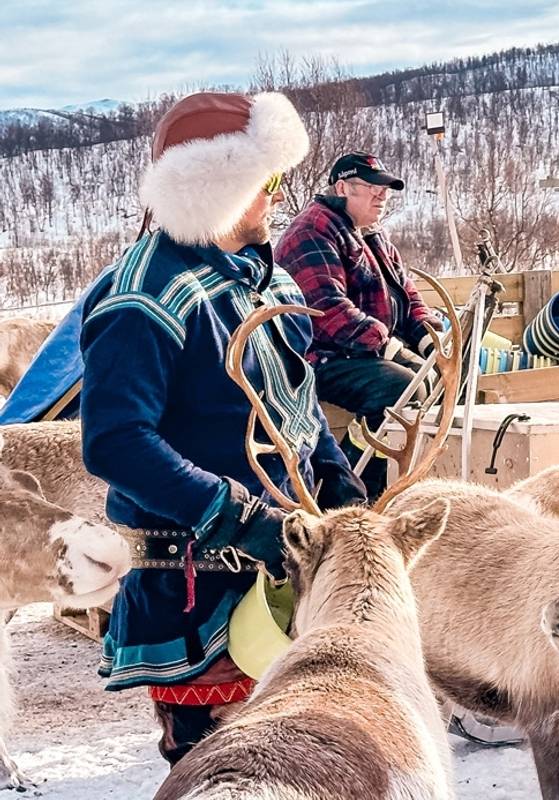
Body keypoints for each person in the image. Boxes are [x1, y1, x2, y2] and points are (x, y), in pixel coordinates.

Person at [80, 92, 365, 765]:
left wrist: (339, 481)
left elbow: (295, 400)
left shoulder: (272, 282)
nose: (276, 196)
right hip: (195, 580)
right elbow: (116, 442)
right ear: (222, 190)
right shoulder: (144, 298)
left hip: (283, 564)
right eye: (265, 182)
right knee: (222, 767)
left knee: (297, 758)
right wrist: (237, 516)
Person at [275, 151, 442, 496]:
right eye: (372, 187)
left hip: (363, 353)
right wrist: (388, 345)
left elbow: (407, 294)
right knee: (400, 388)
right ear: (342, 188)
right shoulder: (312, 232)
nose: (382, 195)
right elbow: (325, 310)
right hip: (319, 358)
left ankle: (410, 484)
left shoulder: (371, 235)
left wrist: (428, 338)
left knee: (437, 377)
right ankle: (347, 491)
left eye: (386, 189)